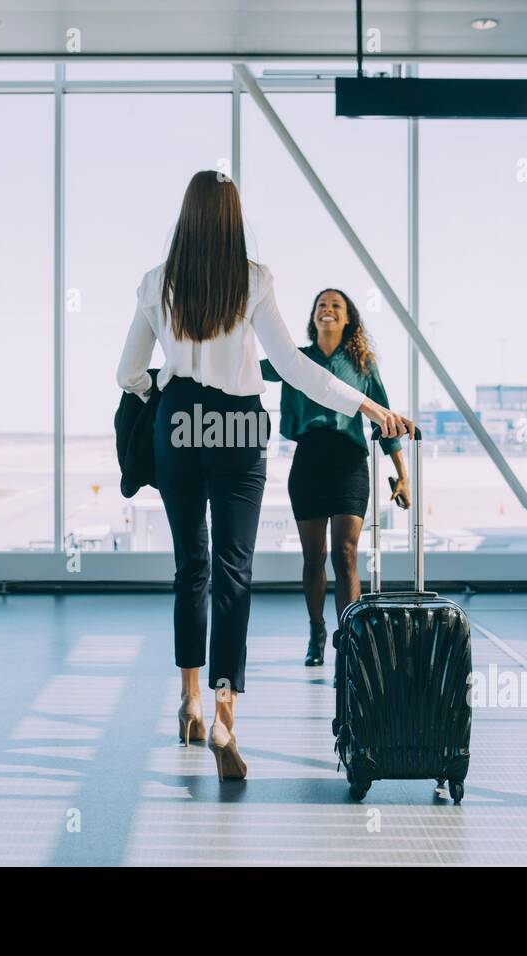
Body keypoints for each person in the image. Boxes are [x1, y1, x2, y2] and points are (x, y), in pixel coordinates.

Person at [116, 171, 411, 782]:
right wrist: (369, 406)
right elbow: (293, 367)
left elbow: (127, 374)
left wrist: (162, 389)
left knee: (189, 565)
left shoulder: (155, 283)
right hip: (239, 428)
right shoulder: (251, 279)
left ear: (186, 214)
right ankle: (226, 712)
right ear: (233, 216)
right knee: (231, 567)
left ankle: (189, 699)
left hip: (177, 423)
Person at [261, 289, 410, 667]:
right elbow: (246, 368)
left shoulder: (362, 363)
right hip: (308, 460)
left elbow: (386, 418)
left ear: (348, 319)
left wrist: (402, 476)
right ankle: (316, 630)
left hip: (349, 463)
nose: (327, 310)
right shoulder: (294, 360)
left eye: (336, 306)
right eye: (321, 305)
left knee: (345, 554)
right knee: (315, 556)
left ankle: (349, 639)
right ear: (313, 318)